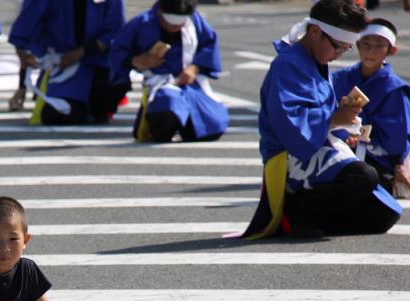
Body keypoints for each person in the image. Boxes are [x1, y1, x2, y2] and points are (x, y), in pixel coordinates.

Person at [242, 0, 402, 239]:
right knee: (363, 176)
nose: (338, 55)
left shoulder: (313, 58)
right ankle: (295, 212)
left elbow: (318, 115)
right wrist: (336, 118)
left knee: (383, 215)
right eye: (338, 47)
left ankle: (310, 218)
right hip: (290, 156)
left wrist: (343, 128)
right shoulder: (287, 65)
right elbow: (292, 128)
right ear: (316, 32)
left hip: (318, 144)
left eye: (345, 49)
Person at [109, 0, 229, 143]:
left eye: (179, 24)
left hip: (190, 85)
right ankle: (158, 126)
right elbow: (117, 51)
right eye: (170, 23)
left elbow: (209, 45)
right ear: (160, 12)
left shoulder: (195, 21)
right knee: (167, 107)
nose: (174, 28)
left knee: (213, 124)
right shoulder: (142, 22)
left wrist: (194, 67)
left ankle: (187, 128)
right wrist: (137, 60)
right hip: (159, 85)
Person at [8, 0, 131, 125]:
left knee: (108, 97)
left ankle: (97, 108)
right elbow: (25, 33)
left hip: (97, 63)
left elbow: (116, 32)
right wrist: (22, 86)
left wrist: (82, 52)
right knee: (56, 115)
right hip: (61, 66)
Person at [331, 18, 410, 199]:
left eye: (379, 46)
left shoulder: (396, 89)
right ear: (357, 44)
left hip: (379, 159)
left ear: (391, 50)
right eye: (366, 44)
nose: (370, 51)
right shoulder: (340, 79)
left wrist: (400, 163)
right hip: (339, 148)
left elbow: (398, 136)